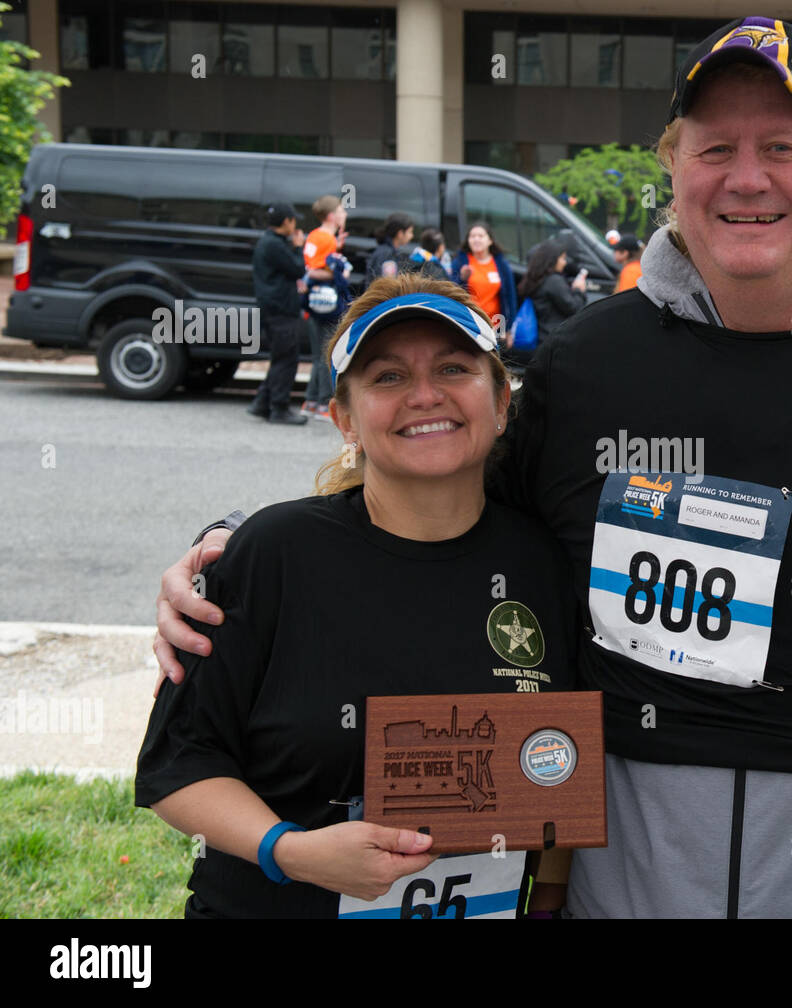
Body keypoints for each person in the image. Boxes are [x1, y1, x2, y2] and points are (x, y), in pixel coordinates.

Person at [153, 15, 792, 918]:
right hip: (628, 862)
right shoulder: (589, 363)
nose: (746, 179)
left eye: (782, 146)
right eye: (714, 148)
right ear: (675, 168)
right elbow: (440, 506)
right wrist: (236, 556)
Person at [137, 276, 578, 917]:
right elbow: (177, 763)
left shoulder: (543, 563)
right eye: (388, 377)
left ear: (502, 399)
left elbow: (564, 760)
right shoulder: (273, 552)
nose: (425, 395)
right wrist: (290, 851)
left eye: (453, 368)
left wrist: (549, 900)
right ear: (344, 418)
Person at [247, 202, 309, 426]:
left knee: (280, 357)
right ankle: (279, 408)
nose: (295, 225)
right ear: (286, 222)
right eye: (293, 220)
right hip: (281, 310)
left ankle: (262, 402)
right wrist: (298, 247)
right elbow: (297, 269)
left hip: (273, 309)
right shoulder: (274, 245)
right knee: (287, 359)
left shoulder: (270, 242)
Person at [301, 195, 349, 419]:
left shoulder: (313, 235)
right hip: (328, 302)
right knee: (326, 352)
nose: (344, 214)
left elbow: (309, 264)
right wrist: (339, 271)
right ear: (332, 216)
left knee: (317, 352)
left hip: (313, 302)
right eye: (341, 210)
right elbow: (317, 269)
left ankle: (310, 400)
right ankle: (323, 403)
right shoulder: (327, 240)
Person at [517, 239, 587, 353]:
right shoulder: (554, 281)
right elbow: (574, 309)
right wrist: (579, 290)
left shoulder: (535, 277)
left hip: (540, 339)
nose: (565, 262)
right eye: (562, 258)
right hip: (555, 341)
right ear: (552, 259)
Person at [451, 222, 517, 333]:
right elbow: (450, 293)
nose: (476, 239)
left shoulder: (501, 264)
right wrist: (461, 278)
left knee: (496, 350)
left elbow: (510, 298)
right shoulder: (460, 262)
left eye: (481, 236)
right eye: (472, 236)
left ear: (490, 241)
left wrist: (508, 329)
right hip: (468, 325)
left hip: (495, 325)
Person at [366, 213, 415, 287]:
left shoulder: (388, 251)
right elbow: (386, 285)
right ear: (400, 233)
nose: (412, 236)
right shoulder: (387, 254)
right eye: (410, 232)